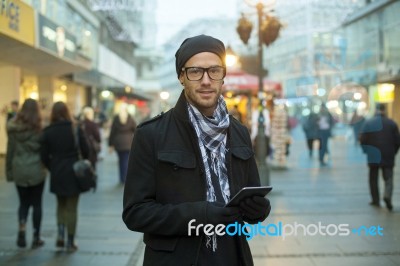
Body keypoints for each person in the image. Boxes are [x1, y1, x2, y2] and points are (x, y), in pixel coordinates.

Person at [122, 35, 271, 265]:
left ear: (223, 76)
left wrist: (259, 209)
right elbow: (135, 212)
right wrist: (197, 215)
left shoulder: (239, 132)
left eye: (214, 71)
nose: (206, 80)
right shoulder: (151, 135)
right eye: (195, 71)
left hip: (232, 255)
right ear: (181, 76)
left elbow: (249, 195)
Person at [40, 101, 89, 252]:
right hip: (74, 172)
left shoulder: (48, 131)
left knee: (60, 205)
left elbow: (43, 156)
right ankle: (70, 241)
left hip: (57, 172)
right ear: (67, 112)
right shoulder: (75, 128)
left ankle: (60, 234)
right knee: (72, 208)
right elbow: (85, 150)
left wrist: (52, 166)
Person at [6, 99, 47, 249]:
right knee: (37, 204)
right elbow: (44, 151)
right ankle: (36, 236)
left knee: (23, 203)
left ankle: (22, 229)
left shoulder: (13, 128)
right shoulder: (40, 128)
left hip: (19, 169)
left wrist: (9, 172)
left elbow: (10, 151)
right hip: (37, 169)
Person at [359, 103, 400, 211]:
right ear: (385, 110)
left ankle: (375, 200)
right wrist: (393, 152)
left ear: (376, 110)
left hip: (373, 155)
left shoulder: (368, 123)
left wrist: (366, 151)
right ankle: (387, 196)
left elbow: (362, 139)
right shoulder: (392, 123)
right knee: (388, 178)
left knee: (373, 178)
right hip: (388, 155)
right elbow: (397, 141)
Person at [108, 103, 137, 184]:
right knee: (126, 160)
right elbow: (136, 130)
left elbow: (112, 132)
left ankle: (122, 178)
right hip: (128, 143)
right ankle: (125, 178)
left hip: (118, 143)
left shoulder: (116, 118)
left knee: (121, 160)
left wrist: (110, 144)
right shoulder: (130, 118)